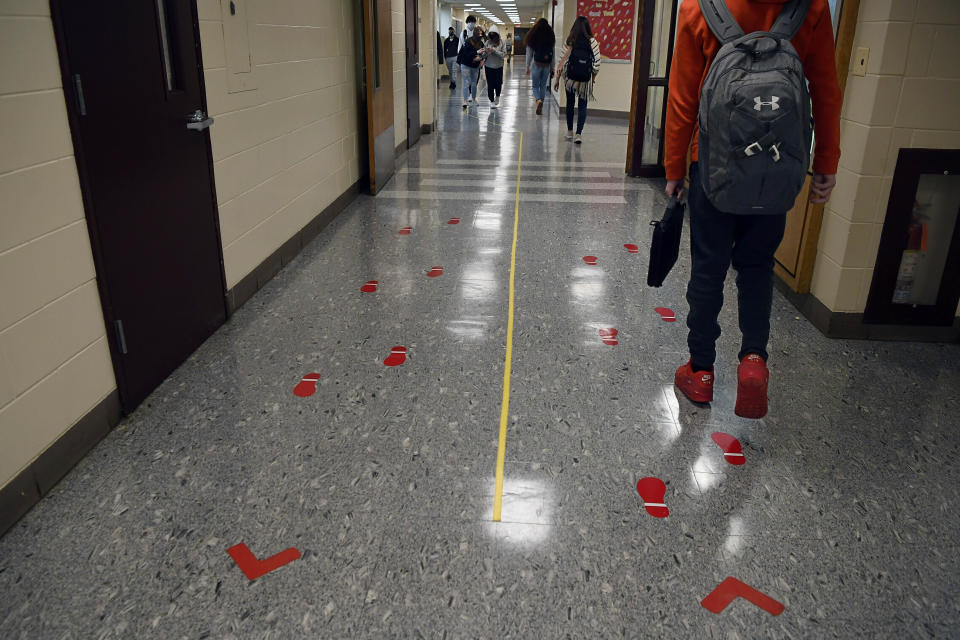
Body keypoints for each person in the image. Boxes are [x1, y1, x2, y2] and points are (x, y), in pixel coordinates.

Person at [664, 0, 842, 419]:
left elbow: (682, 97)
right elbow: (825, 89)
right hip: (776, 169)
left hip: (712, 165)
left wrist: (674, 168)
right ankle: (753, 362)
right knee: (758, 266)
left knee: (708, 268)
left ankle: (701, 371)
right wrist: (827, 162)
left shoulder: (698, 8)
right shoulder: (811, 8)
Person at [553, 16, 601, 144]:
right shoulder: (592, 42)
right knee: (582, 106)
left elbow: (561, 62)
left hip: (570, 79)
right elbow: (597, 64)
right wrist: (593, 78)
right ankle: (578, 134)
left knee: (569, 104)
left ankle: (569, 132)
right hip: (585, 80)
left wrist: (557, 79)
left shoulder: (570, 41)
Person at [524, 18, 555, 115]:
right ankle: (541, 103)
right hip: (547, 65)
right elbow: (553, 53)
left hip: (536, 64)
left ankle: (538, 101)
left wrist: (527, 66)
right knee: (543, 86)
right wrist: (552, 67)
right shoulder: (551, 35)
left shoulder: (533, 35)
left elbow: (529, 53)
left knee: (534, 86)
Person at [457, 28, 484, 108]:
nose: (480, 36)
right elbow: (465, 54)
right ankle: (465, 101)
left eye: (481, 34)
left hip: (475, 66)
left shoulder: (481, 43)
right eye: (478, 34)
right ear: (475, 34)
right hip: (465, 64)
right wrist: (476, 53)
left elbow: (483, 53)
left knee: (474, 83)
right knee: (466, 83)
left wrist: (481, 58)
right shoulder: (468, 41)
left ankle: (473, 99)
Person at [482, 29, 507, 107]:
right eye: (491, 36)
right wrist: (486, 52)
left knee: (498, 83)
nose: (493, 39)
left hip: (499, 66)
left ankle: (498, 96)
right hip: (489, 66)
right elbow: (483, 55)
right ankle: (491, 100)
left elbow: (503, 55)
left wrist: (494, 51)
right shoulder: (487, 43)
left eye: (494, 36)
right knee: (490, 84)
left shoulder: (502, 42)